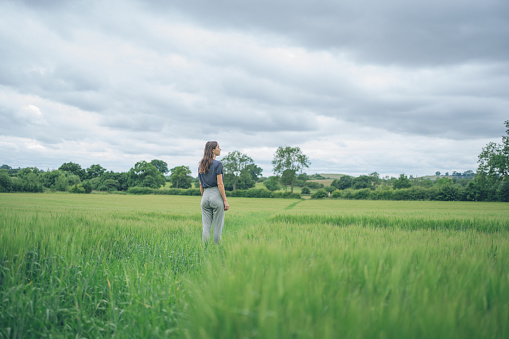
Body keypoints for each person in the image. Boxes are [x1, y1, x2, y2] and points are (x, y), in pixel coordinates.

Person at [198, 141, 229, 244]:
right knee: (217, 227)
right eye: (218, 147)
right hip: (216, 195)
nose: (220, 149)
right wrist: (225, 200)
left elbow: (201, 185)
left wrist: (204, 197)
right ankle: (216, 250)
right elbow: (220, 184)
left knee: (206, 227)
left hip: (205, 196)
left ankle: (204, 249)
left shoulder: (201, 164)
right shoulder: (218, 164)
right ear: (213, 150)